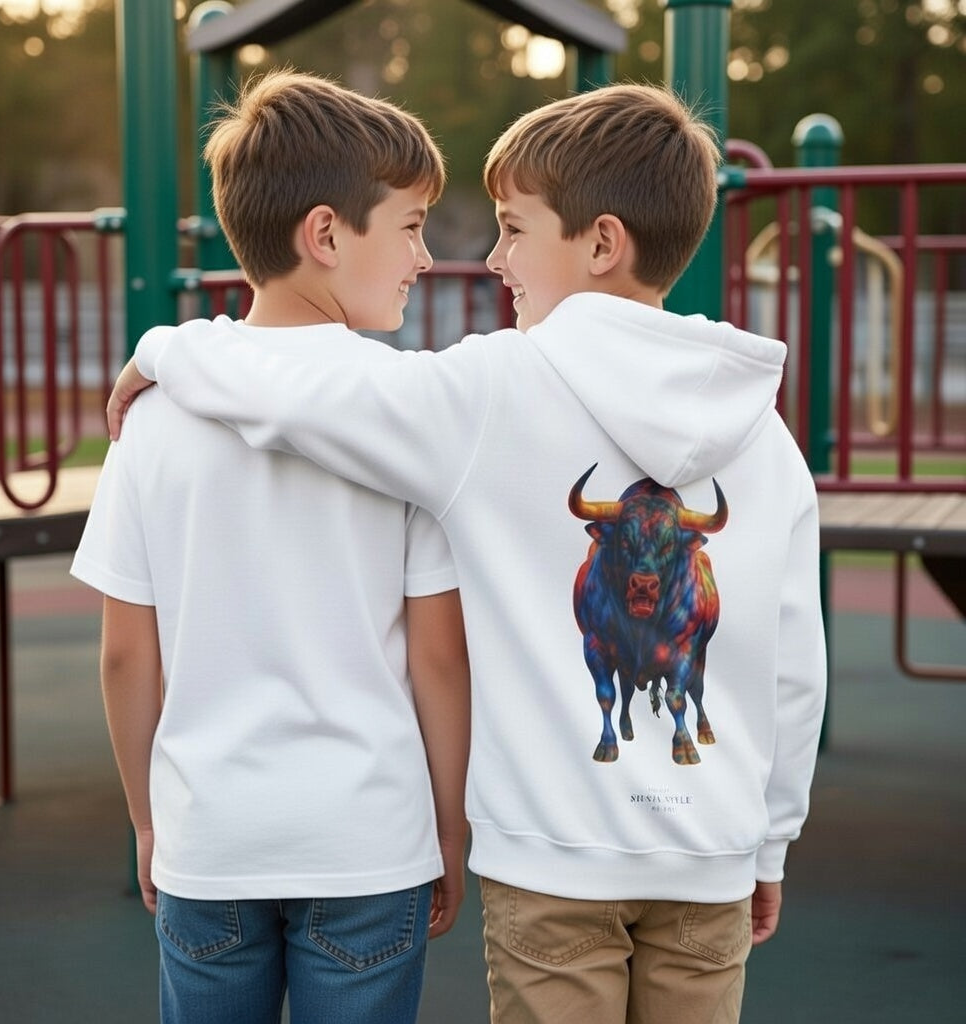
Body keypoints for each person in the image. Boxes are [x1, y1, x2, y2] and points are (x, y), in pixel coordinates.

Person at [109, 82, 827, 1024]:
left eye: (514, 229)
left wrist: (165, 348)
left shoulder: (493, 392)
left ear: (600, 242)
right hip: (712, 856)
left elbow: (300, 396)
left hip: (547, 857)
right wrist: (767, 843)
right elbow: (794, 669)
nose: (491, 258)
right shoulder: (765, 435)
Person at [71, 69, 471, 1024]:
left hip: (211, 843)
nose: (424, 256)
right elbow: (440, 658)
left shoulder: (153, 422)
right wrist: (449, 830)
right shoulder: (411, 417)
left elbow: (128, 652)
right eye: (411, 225)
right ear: (328, 235)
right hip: (369, 842)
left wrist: (145, 821)